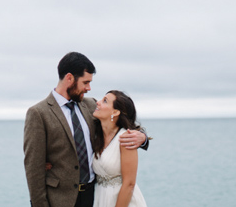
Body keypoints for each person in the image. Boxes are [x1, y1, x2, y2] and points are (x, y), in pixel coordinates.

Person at [24, 52, 149, 207]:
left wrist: (142, 138)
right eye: (85, 82)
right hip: (60, 200)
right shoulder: (38, 113)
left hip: (94, 196)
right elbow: (33, 169)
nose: (89, 88)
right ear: (69, 78)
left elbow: (125, 124)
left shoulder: (91, 106)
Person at [91, 91, 147, 207]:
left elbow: (129, 184)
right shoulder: (97, 136)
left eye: (105, 101)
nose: (98, 102)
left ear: (115, 112)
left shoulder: (126, 138)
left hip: (123, 201)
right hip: (100, 198)